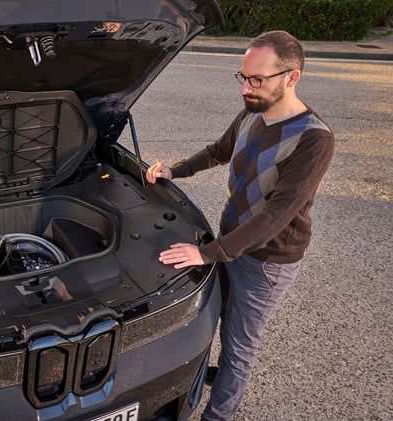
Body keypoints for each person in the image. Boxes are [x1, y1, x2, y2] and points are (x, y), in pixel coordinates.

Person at [145, 30, 334, 420]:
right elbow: (218, 151)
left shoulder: (314, 140)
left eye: (257, 80)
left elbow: (275, 216)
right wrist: (174, 170)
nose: (246, 89)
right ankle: (212, 378)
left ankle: (218, 414)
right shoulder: (253, 111)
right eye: (243, 77)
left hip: (266, 262)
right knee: (210, 319)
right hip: (230, 243)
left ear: (292, 77)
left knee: (239, 347)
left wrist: (208, 253)